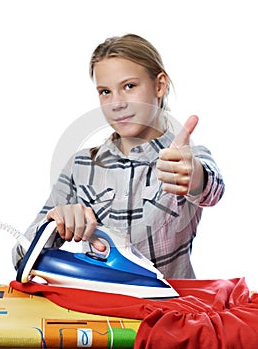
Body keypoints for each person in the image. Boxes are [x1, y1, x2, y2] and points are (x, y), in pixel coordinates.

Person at [12, 34, 225, 279]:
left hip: (172, 311)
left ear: (160, 86)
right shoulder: (80, 166)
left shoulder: (184, 159)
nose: (116, 103)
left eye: (129, 86)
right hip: (100, 312)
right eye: (105, 91)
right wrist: (53, 226)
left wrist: (195, 177)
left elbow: (213, 188)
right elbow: (20, 257)